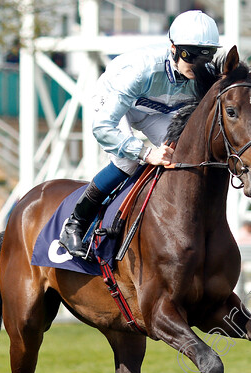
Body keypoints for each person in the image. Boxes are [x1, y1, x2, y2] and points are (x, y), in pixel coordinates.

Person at [58, 10, 221, 258]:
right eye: (191, 56)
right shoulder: (141, 70)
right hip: (117, 104)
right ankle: (76, 223)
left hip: (156, 110)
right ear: (174, 48)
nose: (197, 66)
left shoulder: (204, 75)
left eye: (205, 57)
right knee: (129, 161)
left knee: (179, 155)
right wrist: (145, 153)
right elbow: (103, 127)